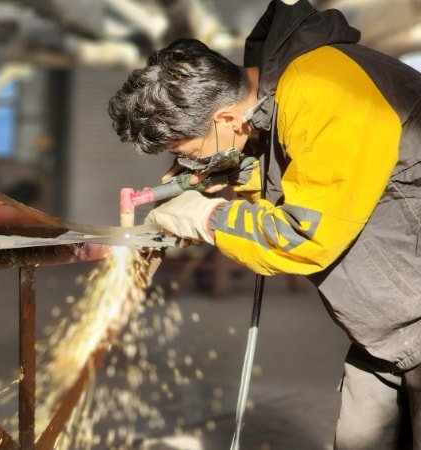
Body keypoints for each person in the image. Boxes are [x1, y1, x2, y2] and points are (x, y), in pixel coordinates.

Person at [107, 0, 421, 448]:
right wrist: (233, 169)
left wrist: (209, 218)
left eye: (191, 153)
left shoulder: (326, 88)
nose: (190, 165)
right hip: (388, 335)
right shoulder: (273, 96)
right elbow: (313, 172)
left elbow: (303, 233)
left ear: (226, 118)